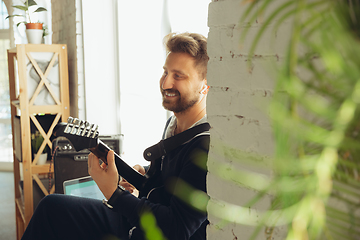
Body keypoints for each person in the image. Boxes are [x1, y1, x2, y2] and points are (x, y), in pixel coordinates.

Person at [21, 32, 210, 240]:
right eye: (165, 72)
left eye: (178, 76)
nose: (165, 83)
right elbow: (171, 180)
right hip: (140, 222)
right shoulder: (175, 124)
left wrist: (114, 194)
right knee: (51, 208)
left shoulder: (204, 147)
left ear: (205, 85)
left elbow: (176, 230)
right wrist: (145, 173)